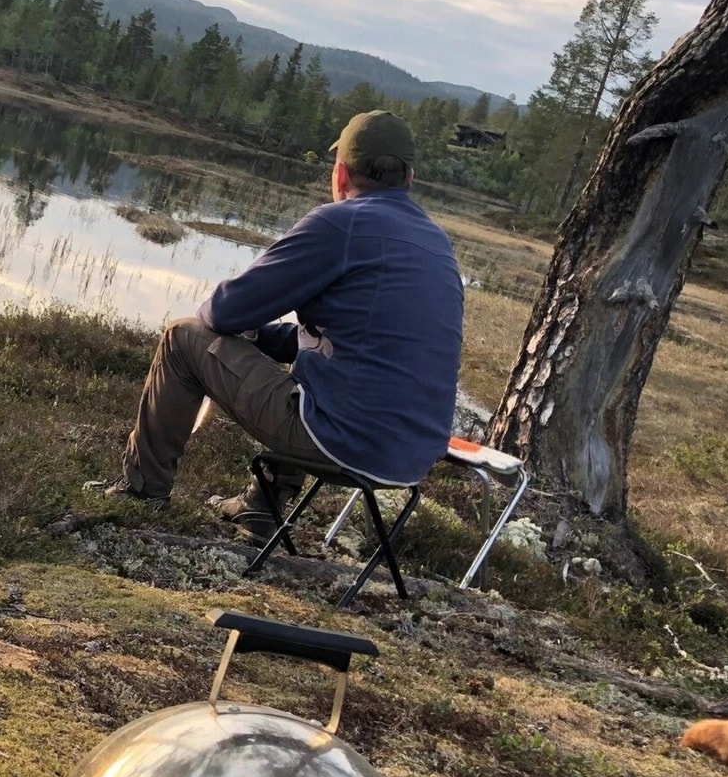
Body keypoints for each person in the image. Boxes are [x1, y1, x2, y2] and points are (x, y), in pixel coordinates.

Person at [88, 110, 464, 540]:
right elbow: (354, 344)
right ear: (410, 178)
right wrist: (264, 338)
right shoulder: (436, 242)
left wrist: (243, 329)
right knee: (318, 378)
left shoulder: (340, 224)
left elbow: (223, 312)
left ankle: (143, 490)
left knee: (182, 338)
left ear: (340, 173)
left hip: (343, 444)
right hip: (411, 460)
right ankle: (259, 508)